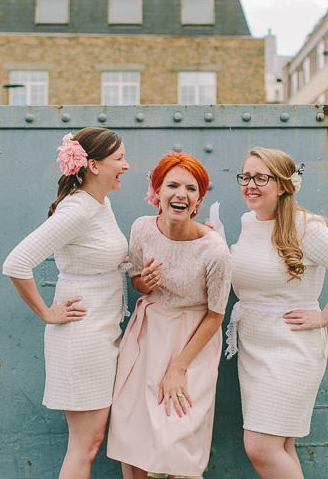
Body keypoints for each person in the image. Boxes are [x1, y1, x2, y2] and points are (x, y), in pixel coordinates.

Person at [227, 147, 328, 479]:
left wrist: (325, 316)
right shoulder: (249, 222)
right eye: (245, 176)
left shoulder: (304, 226)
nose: (250, 184)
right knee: (280, 446)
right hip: (254, 349)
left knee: (261, 448)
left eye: (261, 178)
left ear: (283, 185)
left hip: (291, 351)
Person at [2, 127, 130, 479]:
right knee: (85, 446)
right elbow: (16, 263)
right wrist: (46, 312)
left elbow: (101, 259)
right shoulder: (77, 210)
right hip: (82, 339)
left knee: (92, 441)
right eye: (119, 158)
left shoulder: (100, 204)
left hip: (102, 333)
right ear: (93, 165)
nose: (127, 165)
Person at [107, 153, 232, 479]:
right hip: (146, 336)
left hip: (193, 343)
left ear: (198, 200)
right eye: (172, 185)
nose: (180, 194)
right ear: (157, 191)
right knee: (135, 438)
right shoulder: (142, 229)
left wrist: (178, 367)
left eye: (191, 188)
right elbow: (135, 280)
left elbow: (216, 315)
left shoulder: (215, 250)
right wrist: (142, 283)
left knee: (177, 443)